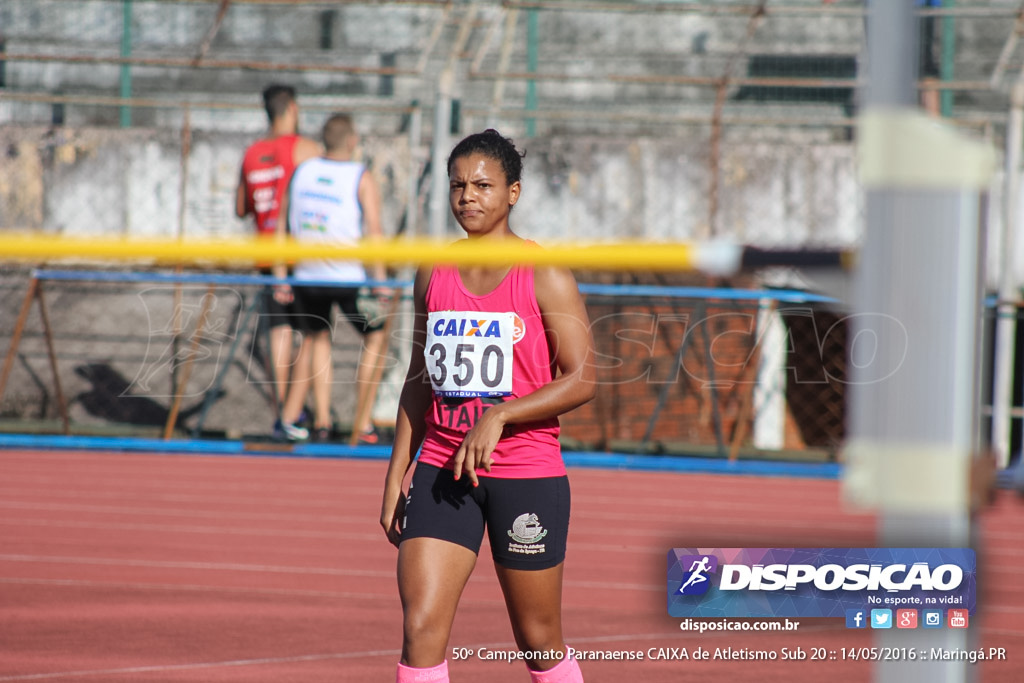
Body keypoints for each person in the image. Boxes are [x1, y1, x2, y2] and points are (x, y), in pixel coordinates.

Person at [380, 129, 597, 683]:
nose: (467, 197)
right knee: (421, 626)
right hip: (441, 469)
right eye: (458, 186)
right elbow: (419, 379)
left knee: (539, 639)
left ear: (514, 193)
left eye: (482, 185)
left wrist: (500, 414)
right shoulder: (433, 270)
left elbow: (583, 378)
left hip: (523, 473)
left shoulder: (542, 272)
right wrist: (394, 474)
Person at [273, 113, 389, 443]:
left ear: (324, 141)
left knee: (318, 339)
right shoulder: (359, 176)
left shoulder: (302, 172)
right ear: (352, 142)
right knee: (377, 335)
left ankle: (322, 421)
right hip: (346, 277)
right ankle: (362, 422)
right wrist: (380, 283)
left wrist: (282, 276)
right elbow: (374, 231)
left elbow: (281, 226)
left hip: (306, 276)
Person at [235, 84, 321, 439]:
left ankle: (284, 413)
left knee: (278, 332)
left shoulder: (252, 152)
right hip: (299, 254)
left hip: (267, 254)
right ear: (292, 109)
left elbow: (241, 209)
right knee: (315, 332)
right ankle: (297, 414)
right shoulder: (305, 149)